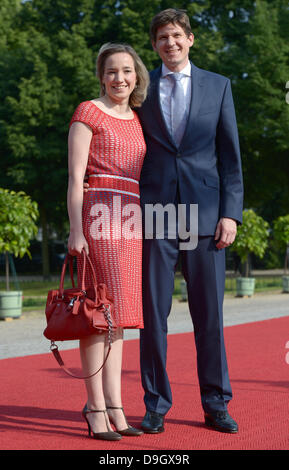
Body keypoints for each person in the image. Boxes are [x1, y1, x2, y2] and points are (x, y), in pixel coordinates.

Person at [136, 9, 244, 434]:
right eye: (163, 37)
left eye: (177, 35)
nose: (171, 43)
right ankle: (156, 404)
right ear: (154, 45)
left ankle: (216, 403)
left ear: (191, 39)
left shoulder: (218, 86)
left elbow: (230, 157)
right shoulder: (141, 91)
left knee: (210, 317)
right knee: (152, 316)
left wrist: (230, 213)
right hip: (156, 215)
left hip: (204, 215)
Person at [67, 42, 149, 441]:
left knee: (119, 321)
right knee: (97, 317)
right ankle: (94, 407)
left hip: (130, 220)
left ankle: (116, 407)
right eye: (112, 71)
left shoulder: (136, 118)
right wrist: (76, 229)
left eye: (127, 71)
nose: (120, 78)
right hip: (97, 217)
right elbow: (75, 176)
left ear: (137, 76)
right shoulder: (88, 111)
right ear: (101, 75)